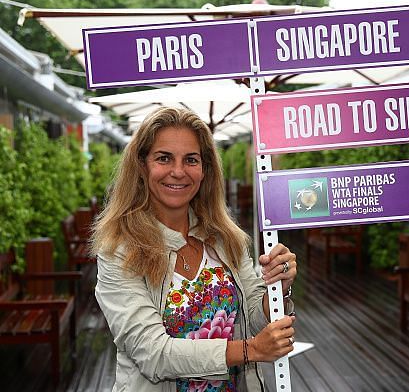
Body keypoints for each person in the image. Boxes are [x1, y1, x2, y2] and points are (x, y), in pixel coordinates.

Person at [91, 107, 297, 392]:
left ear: (204, 170)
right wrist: (251, 350)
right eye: (164, 158)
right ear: (142, 166)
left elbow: (256, 320)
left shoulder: (226, 238)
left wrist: (279, 287)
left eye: (191, 160)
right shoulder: (119, 250)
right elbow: (153, 353)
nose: (178, 171)